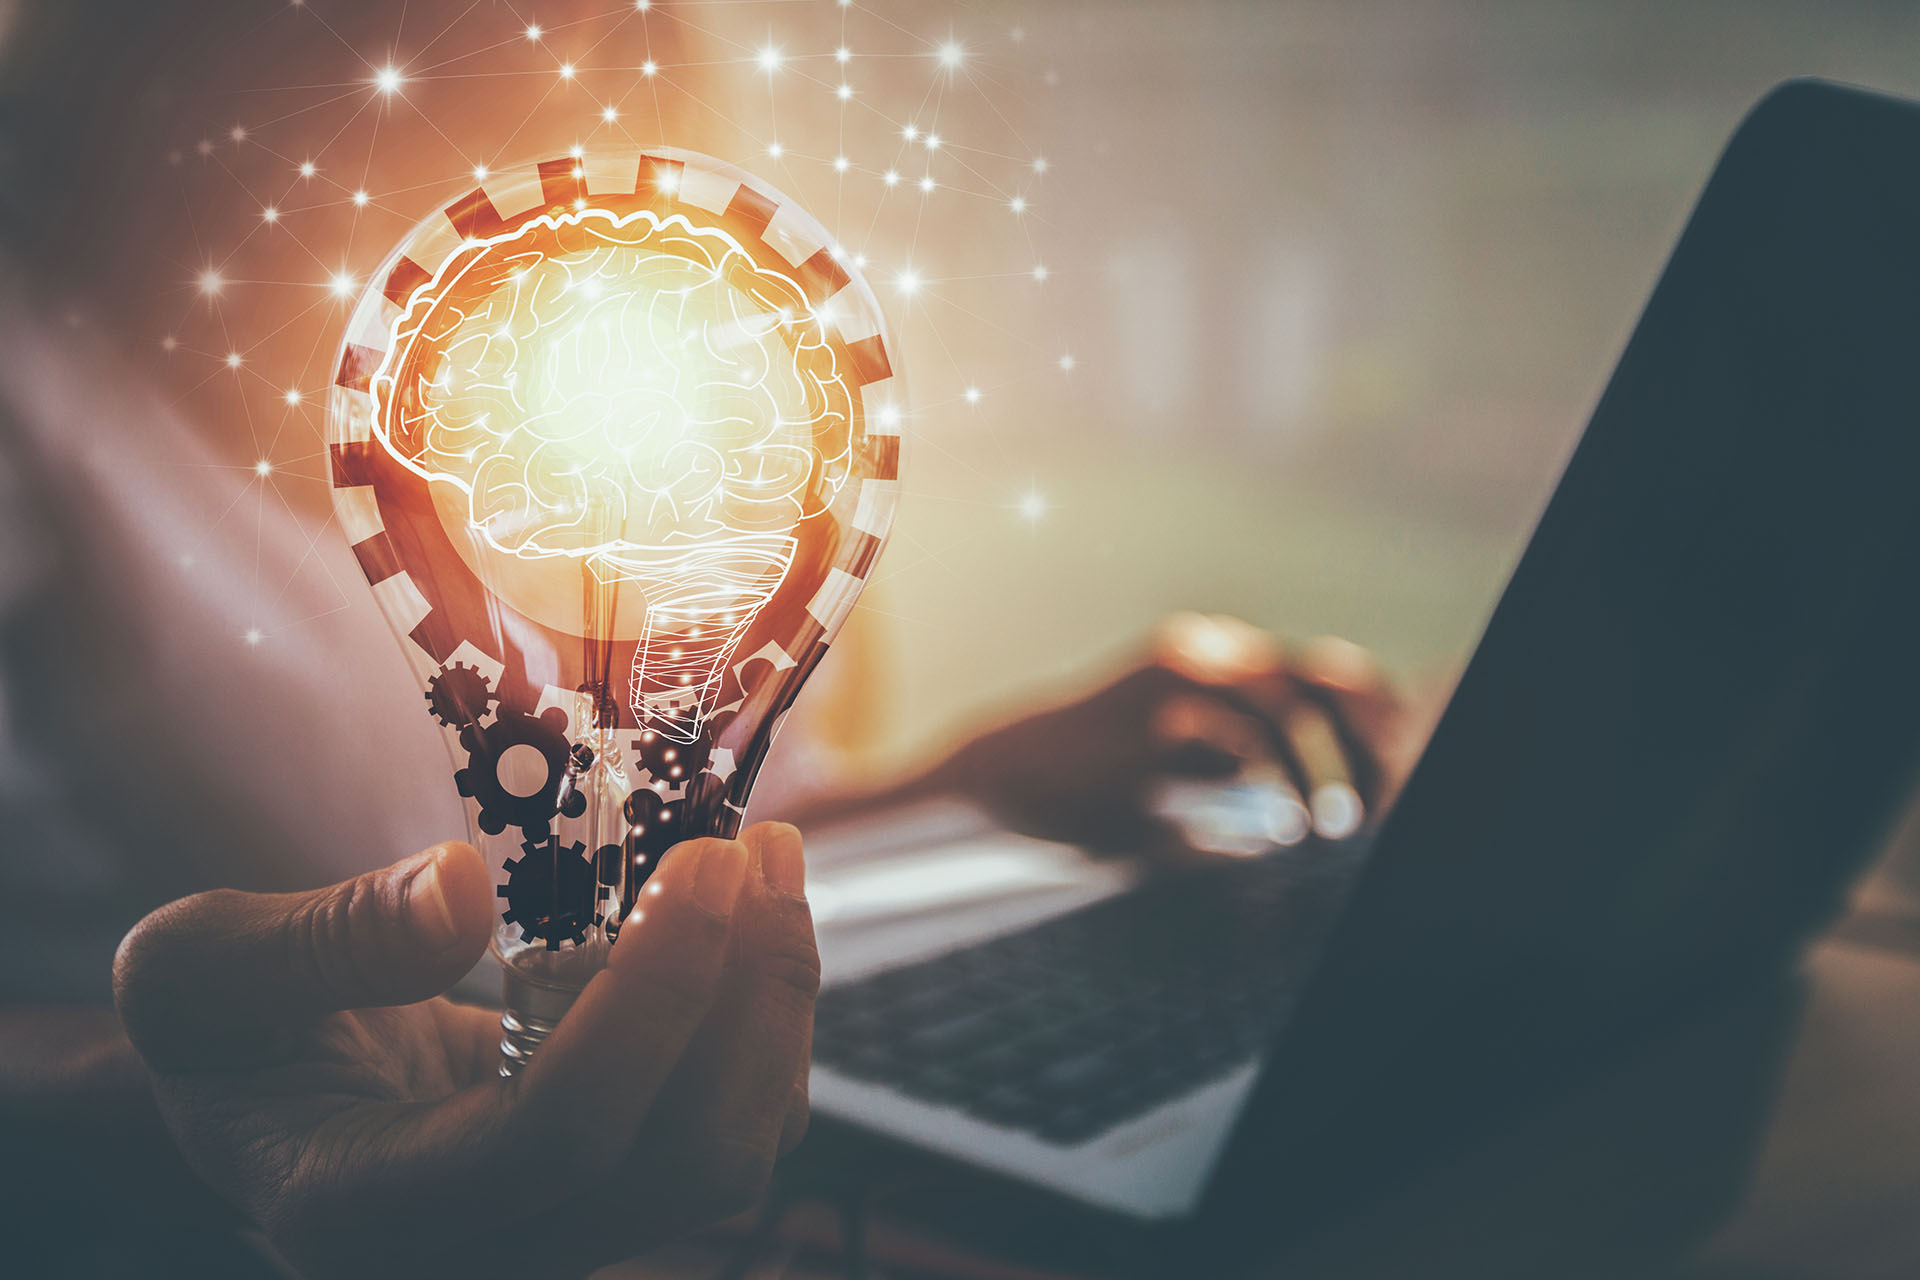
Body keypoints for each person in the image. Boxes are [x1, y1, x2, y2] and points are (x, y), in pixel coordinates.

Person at [0, 3, 1430, 1274]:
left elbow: (670, 863)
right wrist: (139, 1099)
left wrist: (967, 787)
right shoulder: (51, 413)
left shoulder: (596, 336)